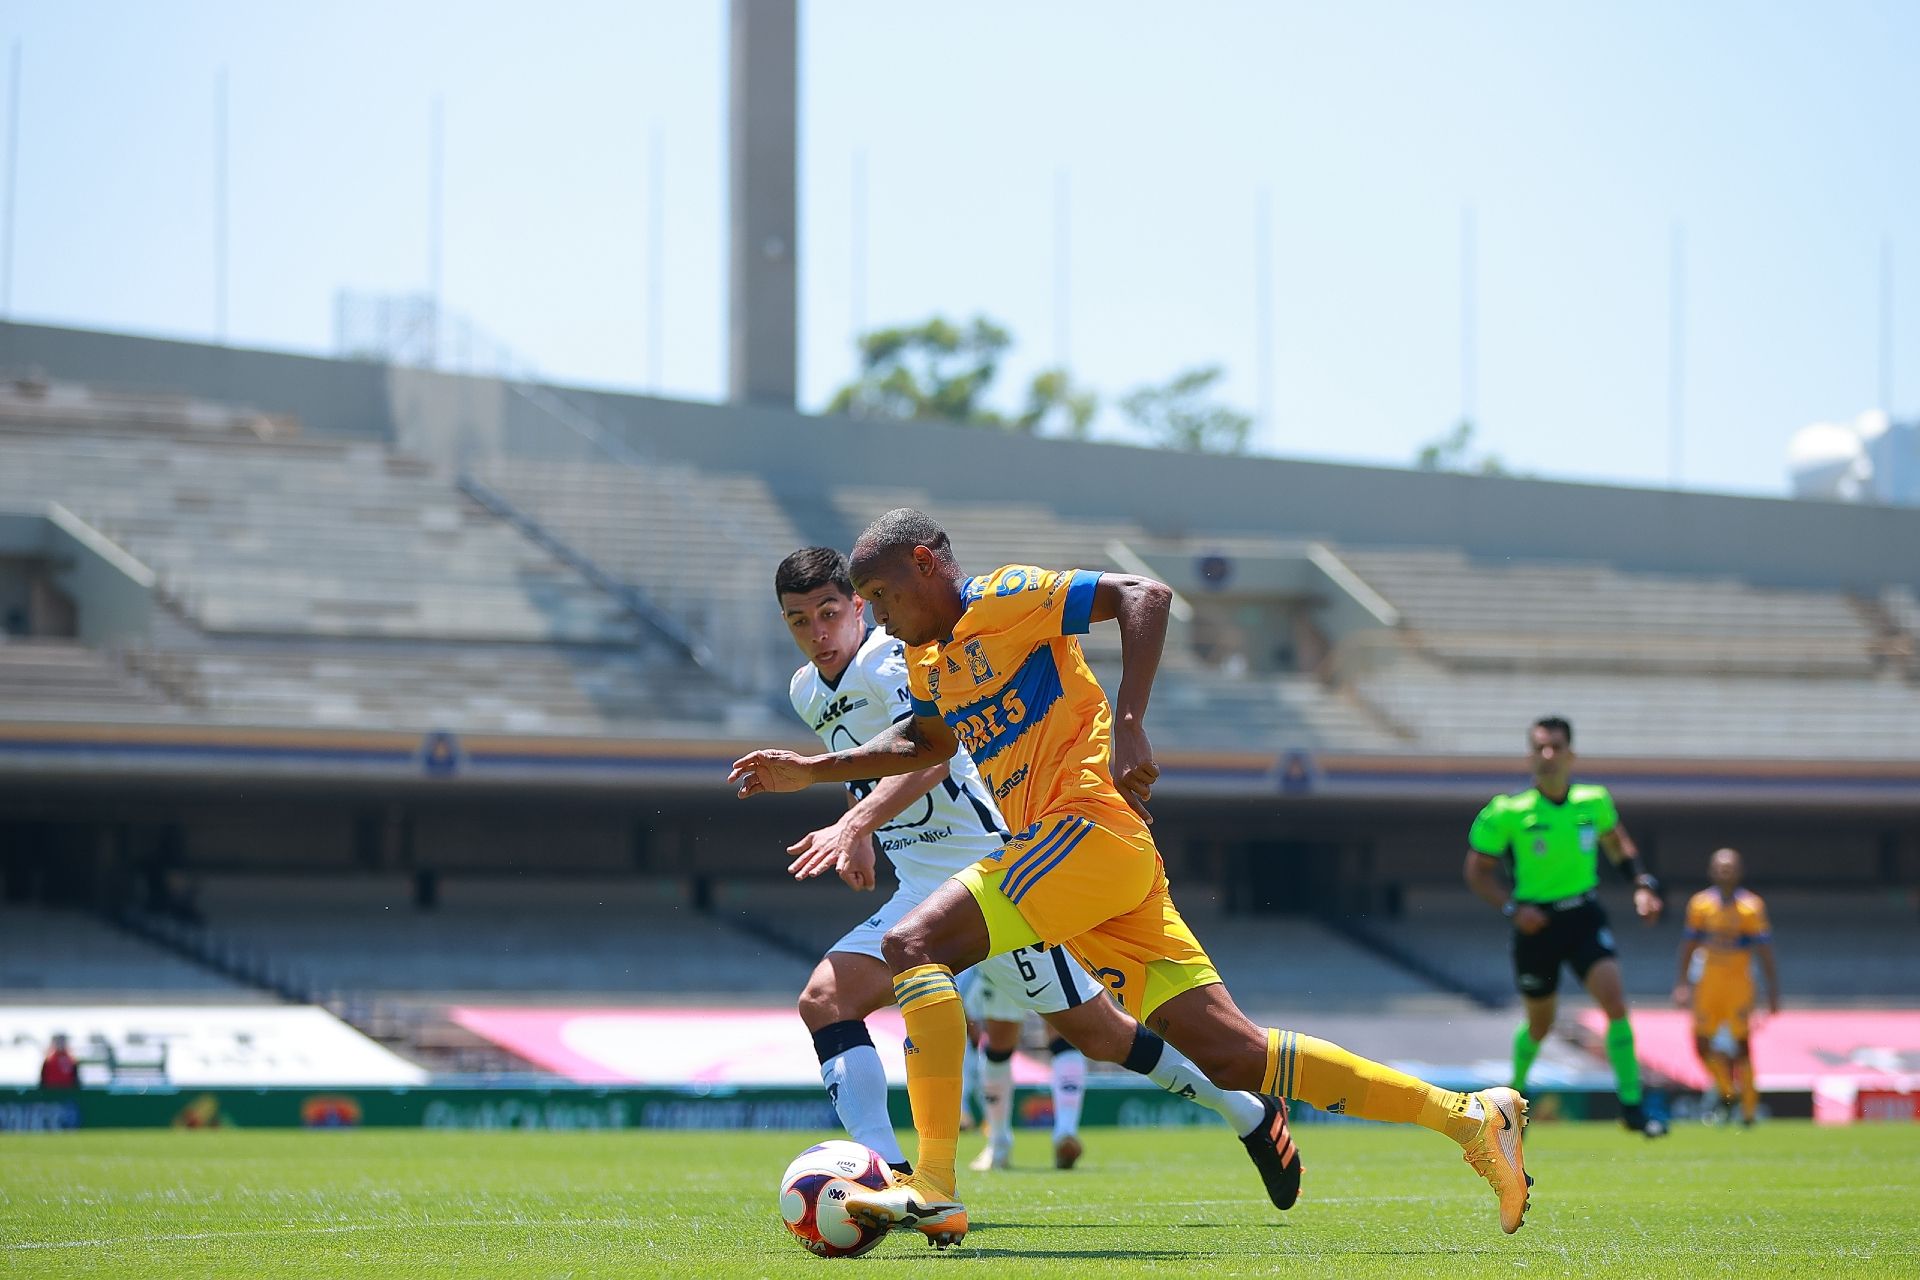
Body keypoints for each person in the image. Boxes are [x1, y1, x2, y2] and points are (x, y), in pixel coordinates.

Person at [733, 513, 1529, 1246]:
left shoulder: (1003, 597)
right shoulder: (925, 657)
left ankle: (934, 1183)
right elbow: (927, 743)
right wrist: (813, 771)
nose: (877, 614)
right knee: (1234, 1055)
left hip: (1083, 828)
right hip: (1086, 863)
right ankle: (1470, 1117)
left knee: (914, 944)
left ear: (923, 564)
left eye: (880, 595)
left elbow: (1144, 595)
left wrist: (1132, 723)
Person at [771, 546, 1298, 1200]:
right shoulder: (805, 690)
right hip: (921, 891)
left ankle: (1248, 1111)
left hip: (996, 878)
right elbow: (870, 765)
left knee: (1099, 1034)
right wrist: (863, 831)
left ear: (859, 606)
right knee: (825, 1001)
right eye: (799, 621)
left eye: (829, 613)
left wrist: (853, 825)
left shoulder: (891, 657)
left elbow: (934, 756)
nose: (817, 633)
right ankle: (889, 1177)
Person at [1465, 716, 1667, 1137]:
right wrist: (1513, 909)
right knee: (1540, 1024)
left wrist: (1641, 884)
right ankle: (1514, 1099)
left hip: (1583, 916)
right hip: (1535, 925)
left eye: (1556, 746)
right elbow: (1477, 873)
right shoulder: (1507, 811)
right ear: (1530, 756)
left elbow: (1617, 843)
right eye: (1540, 747)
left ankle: (1632, 1108)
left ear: (1571, 754)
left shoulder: (1594, 801)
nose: (1548, 755)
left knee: (1615, 1003)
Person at [1673, 847, 1778, 1126]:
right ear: (1711, 871)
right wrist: (1682, 982)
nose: (1725, 872)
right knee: (1701, 1045)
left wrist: (1772, 990)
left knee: (1742, 1046)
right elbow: (1689, 944)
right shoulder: (1700, 904)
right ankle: (1728, 1092)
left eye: (1729, 867)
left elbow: (1764, 950)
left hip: (1738, 986)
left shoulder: (1751, 906)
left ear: (1739, 871)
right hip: (1708, 983)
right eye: (1720, 867)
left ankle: (1749, 1111)